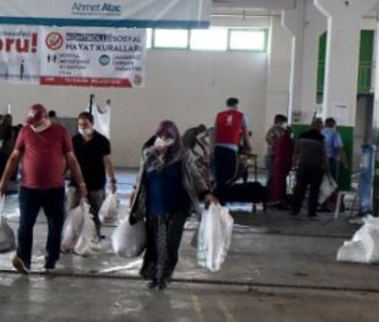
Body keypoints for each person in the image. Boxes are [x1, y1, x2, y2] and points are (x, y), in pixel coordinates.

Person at [0, 104, 88, 274]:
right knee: (25, 225)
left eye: (36, 123)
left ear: (45, 118)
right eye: (31, 123)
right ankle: (23, 260)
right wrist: (4, 180)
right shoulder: (25, 132)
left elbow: (72, 159)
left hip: (54, 190)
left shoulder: (60, 132)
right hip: (28, 189)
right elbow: (15, 157)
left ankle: (51, 260)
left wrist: (81, 183)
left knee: (55, 226)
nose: (34, 126)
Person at [130, 120, 219, 290]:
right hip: (154, 205)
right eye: (161, 135)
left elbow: (195, 175)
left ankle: (164, 276)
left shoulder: (184, 154)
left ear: (175, 137)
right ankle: (154, 275)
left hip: (178, 206)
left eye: (168, 136)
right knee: (155, 243)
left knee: (170, 243)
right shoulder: (148, 154)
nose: (164, 139)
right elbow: (141, 176)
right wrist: (135, 192)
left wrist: (205, 193)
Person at [69, 112, 118, 239]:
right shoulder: (74, 140)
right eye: (80, 125)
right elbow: (69, 161)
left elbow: (107, 162)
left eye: (85, 125)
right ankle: (74, 236)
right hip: (76, 183)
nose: (82, 128)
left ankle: (95, 236)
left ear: (92, 124)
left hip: (96, 184)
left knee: (96, 213)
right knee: (73, 211)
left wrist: (112, 180)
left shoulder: (102, 141)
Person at [213, 97, 252, 197]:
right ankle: (222, 195)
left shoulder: (219, 115)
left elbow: (215, 132)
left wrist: (213, 148)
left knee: (219, 174)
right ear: (236, 105)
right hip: (231, 149)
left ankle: (218, 196)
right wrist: (249, 147)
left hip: (218, 148)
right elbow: (245, 134)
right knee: (231, 173)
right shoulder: (241, 116)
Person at [291, 118, 328, 218]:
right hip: (316, 167)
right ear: (320, 127)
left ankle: (295, 210)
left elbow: (296, 151)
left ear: (311, 125)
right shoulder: (321, 138)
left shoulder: (302, 136)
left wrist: (294, 163)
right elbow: (324, 154)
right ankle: (312, 212)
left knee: (299, 188)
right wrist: (326, 168)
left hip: (302, 165)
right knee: (314, 190)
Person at [268, 125, 294, 206]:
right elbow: (292, 152)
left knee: (277, 181)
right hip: (286, 163)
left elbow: (274, 150)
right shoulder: (289, 141)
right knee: (285, 182)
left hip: (278, 163)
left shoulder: (279, 140)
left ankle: (276, 198)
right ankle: (283, 199)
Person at [265, 114, 289, 185]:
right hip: (273, 156)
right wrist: (275, 146)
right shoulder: (275, 129)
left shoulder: (280, 130)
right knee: (271, 176)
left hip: (276, 155)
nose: (284, 124)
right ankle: (268, 193)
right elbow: (267, 138)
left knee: (274, 177)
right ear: (279, 121)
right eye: (283, 122)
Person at [322, 117, 347, 183]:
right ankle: (328, 192)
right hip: (330, 159)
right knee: (329, 177)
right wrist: (344, 161)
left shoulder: (320, 132)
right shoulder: (335, 134)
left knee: (320, 178)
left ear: (325, 124)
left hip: (319, 159)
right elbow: (339, 148)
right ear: (333, 125)